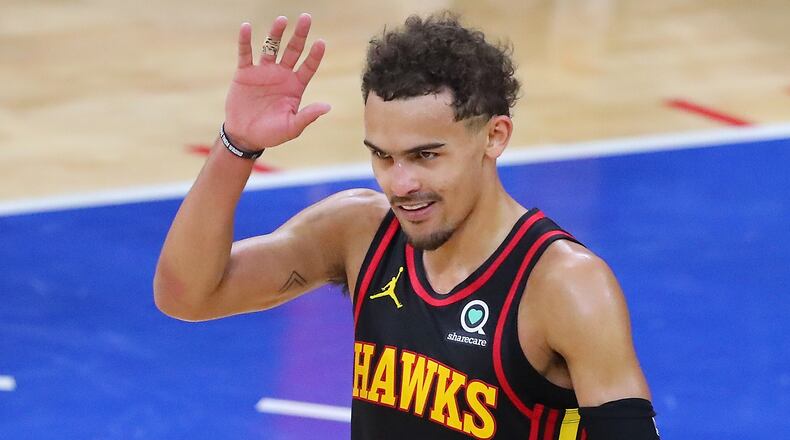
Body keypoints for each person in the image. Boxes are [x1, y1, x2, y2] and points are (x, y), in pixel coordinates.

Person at [153, 11, 660, 440]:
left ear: (495, 136)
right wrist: (238, 145)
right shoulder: (358, 230)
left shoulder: (565, 285)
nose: (400, 183)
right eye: (383, 157)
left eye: (425, 156)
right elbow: (187, 295)